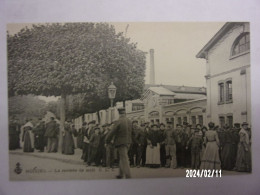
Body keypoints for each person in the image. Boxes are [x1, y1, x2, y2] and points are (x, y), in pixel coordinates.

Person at [106, 107, 132, 179]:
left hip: (121, 142)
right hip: (128, 142)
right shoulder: (129, 121)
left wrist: (107, 140)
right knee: (122, 157)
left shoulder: (118, 121)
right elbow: (132, 132)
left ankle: (128, 176)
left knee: (124, 159)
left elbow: (112, 132)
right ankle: (120, 174)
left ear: (119, 113)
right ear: (125, 113)